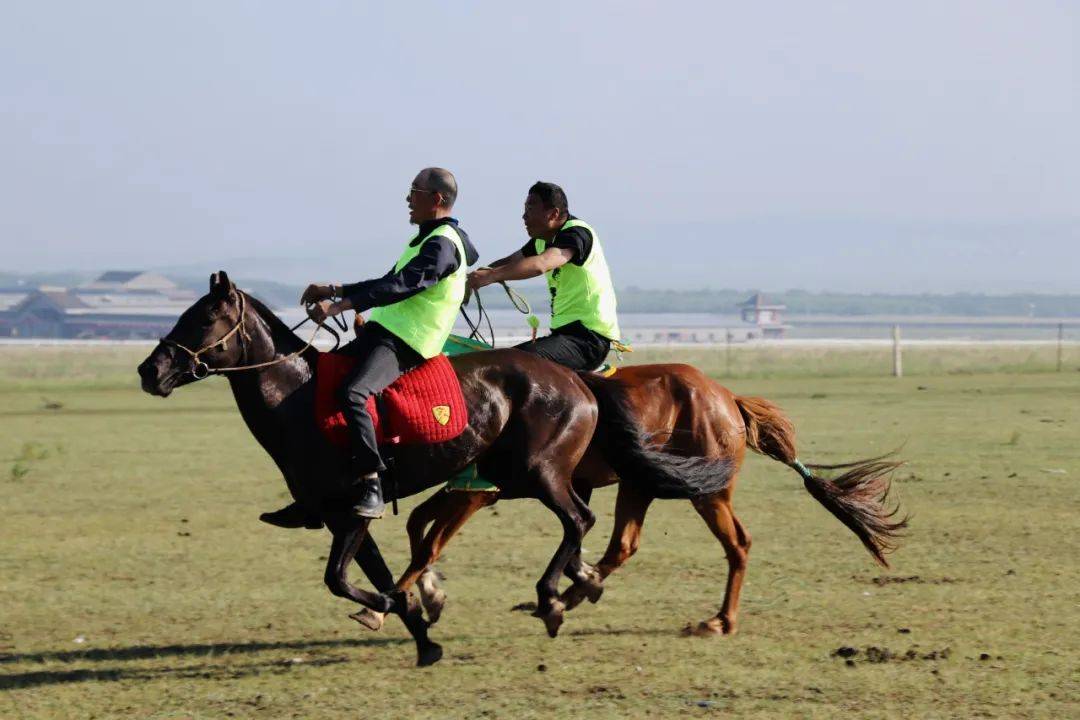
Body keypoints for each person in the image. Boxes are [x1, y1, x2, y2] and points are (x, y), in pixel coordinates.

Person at [260, 167, 477, 528]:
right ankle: (316, 494)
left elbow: (405, 285)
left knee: (354, 393)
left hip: (408, 342)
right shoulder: (425, 240)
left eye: (414, 190)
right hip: (386, 331)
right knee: (320, 384)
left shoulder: (443, 244)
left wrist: (342, 307)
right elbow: (387, 281)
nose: (408, 199)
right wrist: (334, 290)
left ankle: (372, 483)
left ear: (436, 199)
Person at [467, 181, 619, 372]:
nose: (524, 216)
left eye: (530, 208)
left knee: (508, 365)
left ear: (553, 214)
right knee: (497, 360)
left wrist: (491, 276)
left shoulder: (576, 233)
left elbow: (541, 264)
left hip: (588, 341)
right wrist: (471, 279)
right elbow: (511, 262)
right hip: (564, 337)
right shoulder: (542, 240)